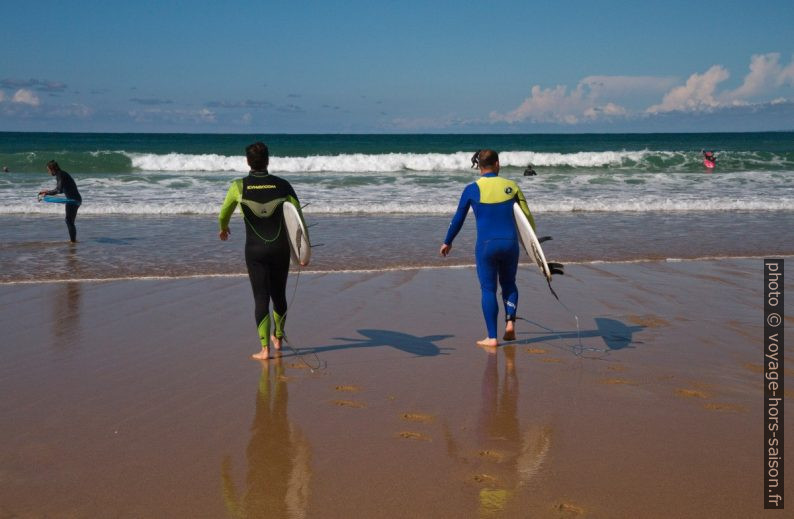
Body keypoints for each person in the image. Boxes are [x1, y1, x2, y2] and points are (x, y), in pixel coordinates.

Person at [218, 142, 308, 359]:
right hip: (280, 249)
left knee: (261, 297)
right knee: (279, 295)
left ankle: (265, 349)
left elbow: (223, 214)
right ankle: (278, 337)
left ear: (247, 161)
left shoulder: (238, 186)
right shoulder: (283, 185)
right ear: (268, 160)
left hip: (255, 251)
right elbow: (299, 222)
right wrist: (303, 252)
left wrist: (223, 229)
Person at [440, 149, 535, 348]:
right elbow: (526, 217)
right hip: (510, 244)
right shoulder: (512, 186)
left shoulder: (471, 189)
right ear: (497, 164)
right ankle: (510, 323)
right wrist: (531, 243)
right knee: (509, 283)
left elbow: (458, 218)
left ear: (479, 167)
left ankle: (492, 337)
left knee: (488, 290)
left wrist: (448, 241)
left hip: (486, 246)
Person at [38, 160, 82, 242]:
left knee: (69, 221)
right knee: (69, 221)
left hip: (73, 200)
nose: (48, 172)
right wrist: (47, 192)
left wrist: (46, 192)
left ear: (52, 169)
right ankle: (73, 241)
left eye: (48, 170)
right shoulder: (62, 174)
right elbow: (61, 190)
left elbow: (58, 190)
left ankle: (73, 241)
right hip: (75, 199)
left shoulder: (60, 175)